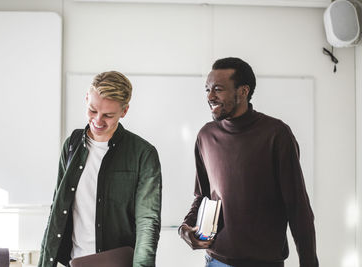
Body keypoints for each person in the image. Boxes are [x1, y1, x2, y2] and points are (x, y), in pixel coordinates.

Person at [179, 58, 319, 267]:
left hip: (264, 262)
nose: (210, 96)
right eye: (207, 89)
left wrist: (309, 262)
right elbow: (203, 195)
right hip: (216, 261)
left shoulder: (276, 134)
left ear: (243, 91)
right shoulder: (206, 136)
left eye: (218, 89)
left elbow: (297, 207)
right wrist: (185, 228)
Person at [38, 71, 162, 267]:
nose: (97, 120)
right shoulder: (72, 145)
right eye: (92, 110)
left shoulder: (143, 153)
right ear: (87, 98)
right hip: (75, 261)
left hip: (117, 263)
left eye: (108, 115)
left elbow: (148, 222)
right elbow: (58, 209)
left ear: (124, 111)